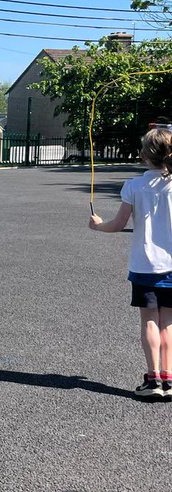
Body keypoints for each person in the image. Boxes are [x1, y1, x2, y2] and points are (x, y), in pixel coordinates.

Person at [89, 125, 172, 399]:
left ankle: (153, 381)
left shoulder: (133, 186)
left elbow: (119, 223)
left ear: (144, 155)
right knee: (168, 323)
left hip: (144, 266)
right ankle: (169, 379)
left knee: (149, 321)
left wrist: (98, 226)